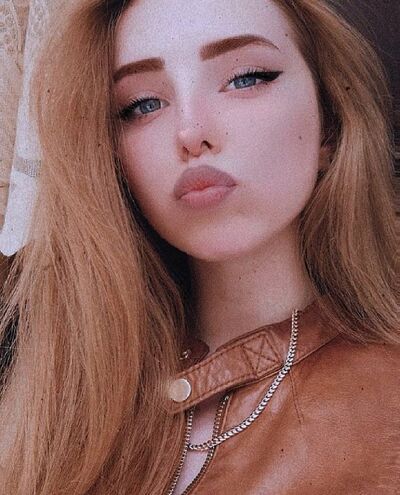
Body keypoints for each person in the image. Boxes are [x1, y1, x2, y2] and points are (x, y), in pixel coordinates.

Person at [0, 0, 398, 493]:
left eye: (246, 78)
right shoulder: (61, 400)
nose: (191, 132)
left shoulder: (386, 411)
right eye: (143, 105)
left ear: (329, 125)